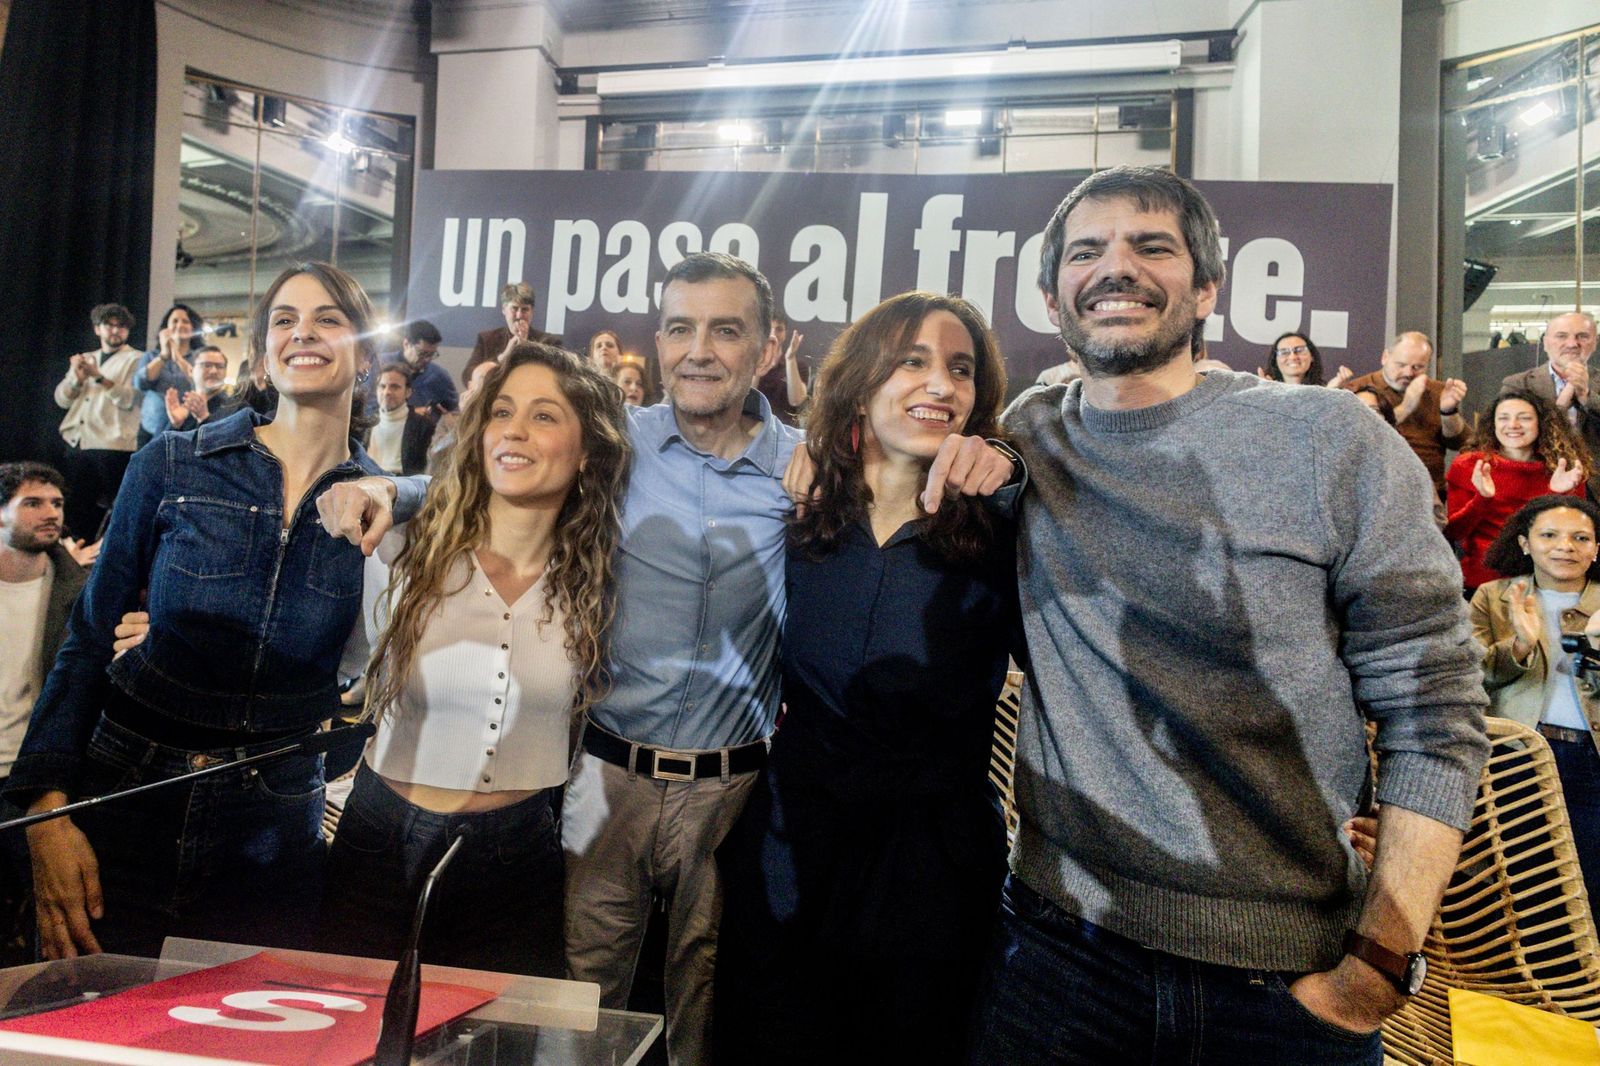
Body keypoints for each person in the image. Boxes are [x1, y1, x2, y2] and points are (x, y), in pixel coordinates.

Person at [313, 252, 1013, 1064]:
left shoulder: (808, 475)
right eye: (681, 328)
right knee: (578, 1005)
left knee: (709, 1013)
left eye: (726, 330)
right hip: (606, 777)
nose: (700, 350)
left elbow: (947, 476)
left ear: (766, 344)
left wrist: (1007, 462)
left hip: (736, 794)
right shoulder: (615, 444)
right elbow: (497, 473)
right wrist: (389, 493)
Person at [970, 165, 1490, 1064]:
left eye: (1152, 246)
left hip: (1283, 987)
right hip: (1057, 954)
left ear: (1207, 285)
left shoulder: (1331, 440)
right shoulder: (1026, 436)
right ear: (1053, 295)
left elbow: (1435, 711)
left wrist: (1376, 965)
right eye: (1086, 250)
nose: (1115, 267)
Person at [2, 262, 384, 960]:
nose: (305, 332)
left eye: (330, 318)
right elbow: (86, 639)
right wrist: (45, 809)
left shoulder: (382, 511)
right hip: (126, 794)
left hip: (273, 827)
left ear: (364, 357)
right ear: (264, 359)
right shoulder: (175, 464)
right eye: (285, 320)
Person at [714, 292, 1018, 1064]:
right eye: (911, 362)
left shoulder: (1009, 531)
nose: (941, 386)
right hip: (789, 857)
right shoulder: (797, 513)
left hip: (934, 877)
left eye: (960, 369)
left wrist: (1012, 466)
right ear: (860, 382)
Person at [318, 342, 630, 976]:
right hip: (379, 836)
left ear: (588, 449)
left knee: (493, 1047)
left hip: (516, 856)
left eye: (545, 416)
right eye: (502, 411)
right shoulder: (407, 538)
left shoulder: (604, 575)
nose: (514, 429)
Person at [1469, 494, 1600, 913]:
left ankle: (1588, 974)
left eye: (1581, 537)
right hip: (1518, 755)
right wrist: (1521, 644)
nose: (1566, 546)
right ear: (1525, 543)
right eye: (1550, 535)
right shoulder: (1493, 597)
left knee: (1590, 878)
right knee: (1522, 876)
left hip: (1591, 758)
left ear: (1597, 549)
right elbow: (1471, 676)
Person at [1445, 389, 1587, 594]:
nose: (1513, 425)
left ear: (1541, 423)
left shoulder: (1563, 468)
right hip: (1483, 584)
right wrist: (1482, 499)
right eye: (1503, 418)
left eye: (1524, 418)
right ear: (1492, 424)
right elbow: (1453, 532)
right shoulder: (1469, 465)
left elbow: (1575, 533)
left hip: (1548, 581)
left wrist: (1558, 495)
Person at [1342, 332, 1467, 499]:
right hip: (1376, 490)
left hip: (1429, 493)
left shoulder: (1438, 390)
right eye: (1401, 364)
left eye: (1418, 367)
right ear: (1385, 357)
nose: (1408, 373)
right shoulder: (1357, 390)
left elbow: (1461, 443)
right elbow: (1355, 438)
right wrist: (1406, 406)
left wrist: (1448, 411)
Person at [54, 303, 142, 539]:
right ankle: (75, 556)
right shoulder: (87, 358)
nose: (115, 331)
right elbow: (62, 399)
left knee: (115, 508)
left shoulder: (136, 359)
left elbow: (129, 400)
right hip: (77, 441)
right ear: (97, 329)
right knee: (76, 508)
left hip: (113, 445)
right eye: (109, 325)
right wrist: (77, 379)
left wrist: (98, 377)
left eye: (121, 326)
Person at [1501, 311, 1600, 496]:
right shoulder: (1518, 384)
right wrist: (1562, 402)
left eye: (1582, 336)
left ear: (1595, 343)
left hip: (1594, 492)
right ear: (1545, 343)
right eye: (1562, 336)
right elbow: (1509, 438)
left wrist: (1586, 395)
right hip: (1536, 486)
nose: (1572, 344)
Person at [132, 304, 206, 447]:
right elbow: (140, 384)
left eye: (185, 321)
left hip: (188, 430)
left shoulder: (200, 357)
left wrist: (178, 357)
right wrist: (164, 356)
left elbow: (201, 383)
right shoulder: (151, 356)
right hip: (150, 429)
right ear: (165, 328)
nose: (180, 325)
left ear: (193, 328)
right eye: (175, 321)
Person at [464, 282, 562, 386]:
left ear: (532, 312)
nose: (519, 315)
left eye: (525, 310)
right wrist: (502, 358)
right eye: (514, 308)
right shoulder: (487, 339)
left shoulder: (549, 342)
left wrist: (527, 349)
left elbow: (558, 379)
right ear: (504, 310)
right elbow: (468, 376)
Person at [366, 363, 435, 476]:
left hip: (403, 487)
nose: (387, 392)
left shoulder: (423, 426)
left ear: (408, 392)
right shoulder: (365, 423)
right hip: (365, 482)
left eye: (394, 387)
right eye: (382, 386)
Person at [395, 320, 458, 418]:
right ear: (406, 344)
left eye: (432, 354)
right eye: (422, 353)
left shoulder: (439, 376)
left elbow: (454, 411)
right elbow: (369, 407)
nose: (427, 359)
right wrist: (411, 414)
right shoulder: (380, 365)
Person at [754, 311, 807, 427]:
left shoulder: (798, 366)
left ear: (785, 333)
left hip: (786, 430)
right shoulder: (751, 361)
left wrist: (790, 358)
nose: (773, 333)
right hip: (753, 429)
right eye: (769, 328)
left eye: (779, 329)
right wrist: (760, 360)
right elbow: (746, 396)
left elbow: (796, 400)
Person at [161, 345, 230, 433]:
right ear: (191, 371)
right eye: (207, 365)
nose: (214, 371)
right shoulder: (185, 403)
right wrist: (176, 425)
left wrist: (204, 418)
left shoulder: (231, 407)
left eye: (220, 366)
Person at [1261, 331, 1352, 388]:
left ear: (1312, 356)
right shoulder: (1265, 391)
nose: (1293, 357)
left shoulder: (1331, 391)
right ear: (1275, 360)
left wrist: (1330, 393)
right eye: (1284, 352)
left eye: (1299, 350)